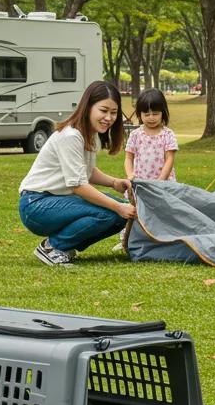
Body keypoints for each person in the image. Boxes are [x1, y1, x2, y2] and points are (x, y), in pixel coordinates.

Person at [18, 81, 134, 267]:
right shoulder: (71, 136)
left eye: (113, 112)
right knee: (113, 211)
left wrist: (114, 183)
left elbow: (87, 171)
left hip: (55, 200)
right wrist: (117, 207)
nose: (109, 117)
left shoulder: (90, 133)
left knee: (122, 212)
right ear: (88, 107)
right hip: (36, 205)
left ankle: (65, 247)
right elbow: (78, 185)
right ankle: (53, 247)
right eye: (103, 110)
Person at [114, 88, 178, 252]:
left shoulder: (167, 134)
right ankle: (126, 240)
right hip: (139, 183)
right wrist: (131, 176)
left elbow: (169, 158)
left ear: (163, 113)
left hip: (163, 183)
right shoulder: (136, 134)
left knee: (163, 212)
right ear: (139, 114)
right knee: (134, 212)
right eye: (146, 114)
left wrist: (160, 182)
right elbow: (128, 158)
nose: (151, 118)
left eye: (155, 113)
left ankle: (163, 239)